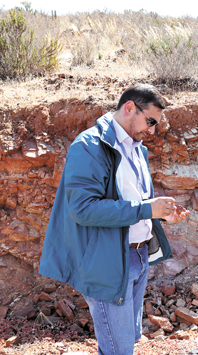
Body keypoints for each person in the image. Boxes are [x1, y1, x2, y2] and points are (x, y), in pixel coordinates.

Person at [39, 84, 189, 355]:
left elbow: (133, 201)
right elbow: (83, 209)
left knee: (125, 342)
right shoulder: (89, 146)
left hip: (139, 257)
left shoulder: (138, 148)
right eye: (151, 121)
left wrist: (162, 214)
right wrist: (147, 210)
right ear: (129, 107)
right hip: (109, 261)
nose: (153, 130)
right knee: (117, 350)